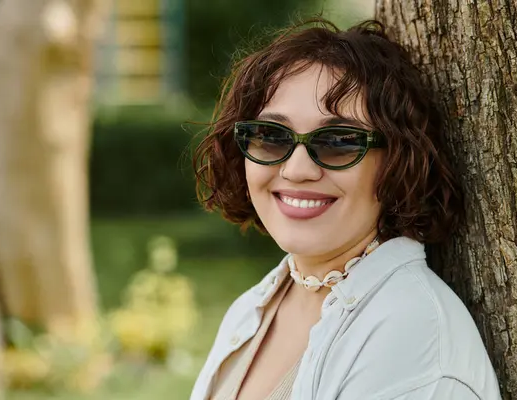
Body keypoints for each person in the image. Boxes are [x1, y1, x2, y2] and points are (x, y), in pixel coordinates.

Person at [190, 18, 501, 400]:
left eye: (339, 140)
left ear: (397, 161)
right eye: (271, 136)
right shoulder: (252, 308)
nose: (297, 170)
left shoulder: (412, 342)